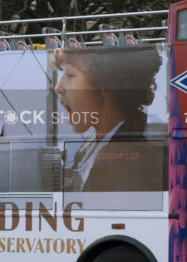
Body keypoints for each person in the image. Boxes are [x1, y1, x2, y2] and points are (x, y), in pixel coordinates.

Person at [51, 46, 164, 192]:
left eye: (70, 75)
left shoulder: (131, 162)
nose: (58, 87)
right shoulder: (94, 146)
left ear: (105, 85)